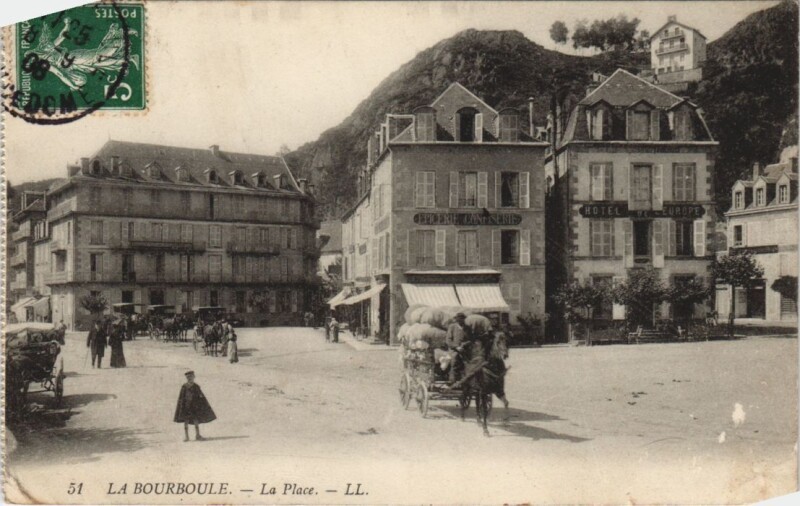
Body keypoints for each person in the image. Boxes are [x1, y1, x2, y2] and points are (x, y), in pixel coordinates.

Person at [174, 371, 216, 442]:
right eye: (188, 377)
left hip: (194, 407)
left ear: (194, 377)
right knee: (186, 421)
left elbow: (201, 396)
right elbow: (181, 398)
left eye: (191, 377)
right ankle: (187, 437)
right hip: (186, 407)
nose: (190, 378)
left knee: (196, 421)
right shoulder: (184, 387)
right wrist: (182, 406)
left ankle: (197, 435)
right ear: (187, 378)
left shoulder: (196, 386)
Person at [445, 313, 468, 382]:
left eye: (462, 319)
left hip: (464, 350)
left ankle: (464, 383)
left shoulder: (467, 328)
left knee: (466, 365)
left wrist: (464, 345)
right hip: (454, 350)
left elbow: (470, 339)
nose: (460, 320)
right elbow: (448, 340)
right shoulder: (452, 327)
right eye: (458, 319)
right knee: (454, 363)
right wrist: (456, 347)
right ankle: (452, 382)